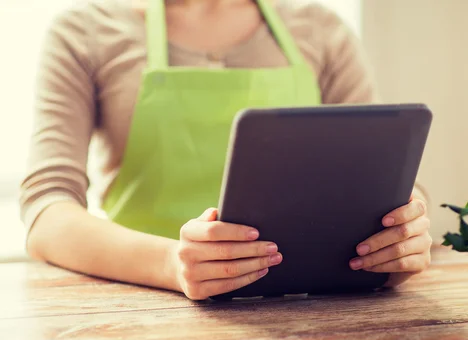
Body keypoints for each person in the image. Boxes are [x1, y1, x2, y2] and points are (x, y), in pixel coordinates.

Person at [19, 0, 432, 300]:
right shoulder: (86, 30)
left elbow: (385, 176)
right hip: (142, 307)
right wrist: (170, 264)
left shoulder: (321, 29)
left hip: (309, 310)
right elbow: (47, 212)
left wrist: (406, 229)